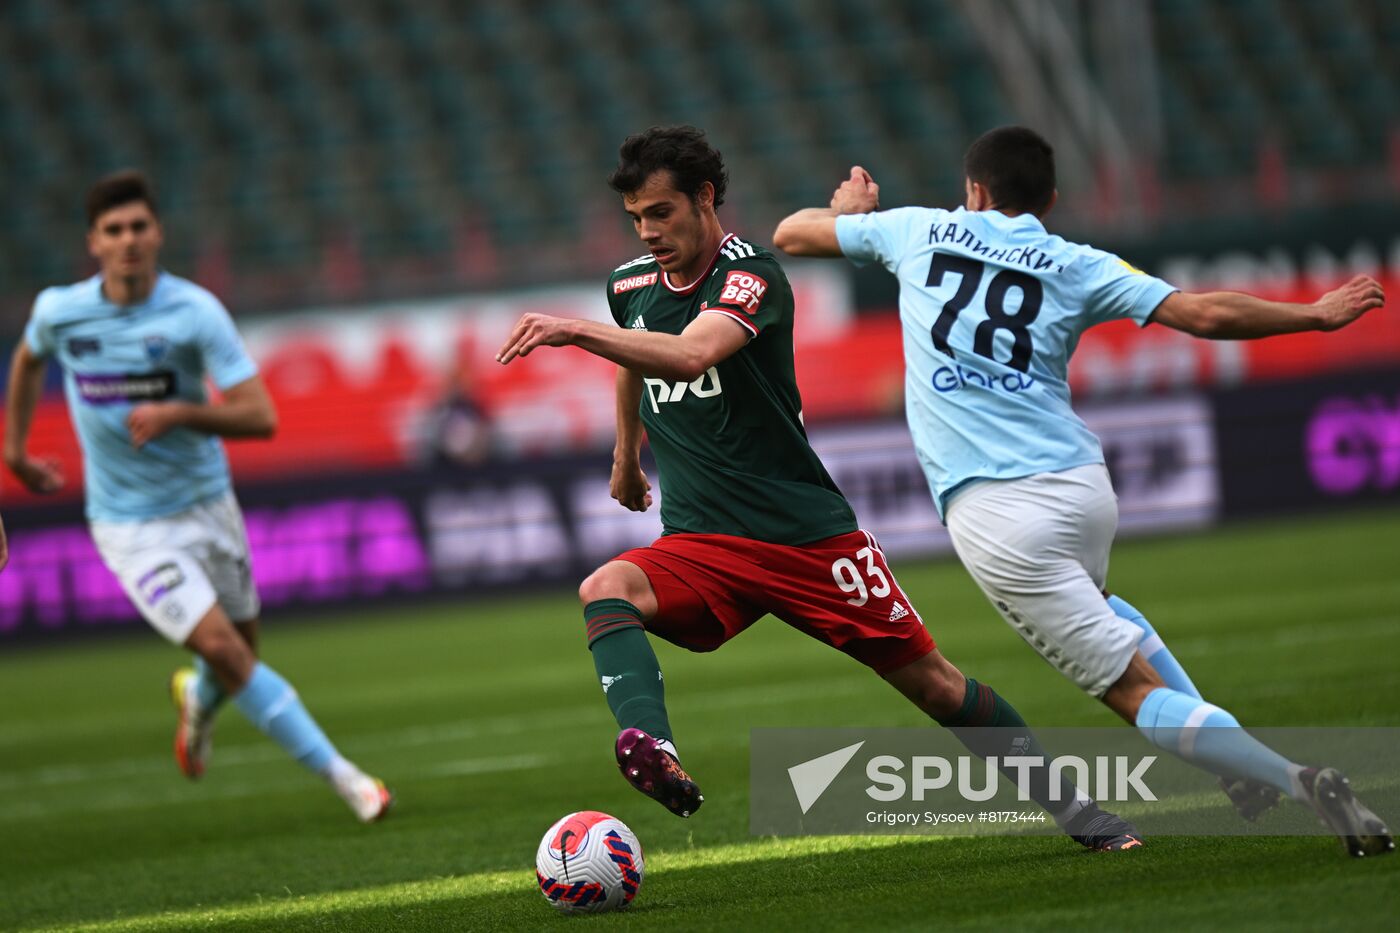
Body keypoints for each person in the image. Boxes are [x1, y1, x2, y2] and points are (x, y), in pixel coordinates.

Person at [497, 125, 1142, 851]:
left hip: (804, 537)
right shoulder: (631, 285)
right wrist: (625, 453)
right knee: (605, 587)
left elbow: (688, 354)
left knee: (935, 685)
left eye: (661, 213)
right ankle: (652, 745)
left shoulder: (754, 276)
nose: (648, 232)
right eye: (636, 219)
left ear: (705, 198)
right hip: (702, 539)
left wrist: (572, 331)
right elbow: (635, 346)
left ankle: (1084, 815)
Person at [772, 125, 1393, 857]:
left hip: (996, 511)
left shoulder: (918, 228)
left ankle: (1298, 778)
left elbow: (791, 234)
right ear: (1051, 199)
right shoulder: (1076, 261)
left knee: (1129, 691)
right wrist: (1315, 315)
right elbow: (1204, 313)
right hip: (1080, 486)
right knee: (1105, 611)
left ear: (974, 189)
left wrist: (849, 210)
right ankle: (1235, 770)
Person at [3, 170, 391, 823]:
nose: (128, 240)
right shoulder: (60, 311)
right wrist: (12, 453)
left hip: (208, 505)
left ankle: (197, 701)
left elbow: (261, 416)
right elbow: (27, 361)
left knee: (240, 650)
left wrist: (181, 412)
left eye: (138, 227)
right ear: (93, 242)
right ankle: (348, 777)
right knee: (224, 649)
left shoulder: (193, 311)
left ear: (158, 233)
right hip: (129, 525)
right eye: (113, 230)